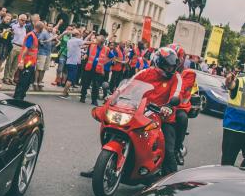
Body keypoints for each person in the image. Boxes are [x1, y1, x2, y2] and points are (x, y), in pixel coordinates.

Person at [124, 47, 182, 176]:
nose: (170, 70)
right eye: (167, 67)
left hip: (163, 117)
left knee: (167, 149)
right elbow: (129, 85)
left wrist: (169, 106)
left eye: (172, 67)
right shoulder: (145, 72)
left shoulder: (176, 78)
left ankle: (170, 182)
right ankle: (99, 167)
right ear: (159, 63)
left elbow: (177, 93)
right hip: (140, 112)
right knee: (120, 131)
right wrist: (114, 96)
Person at [169, 44, 196, 164]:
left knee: (182, 118)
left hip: (178, 107)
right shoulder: (160, 69)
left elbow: (180, 91)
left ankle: (176, 148)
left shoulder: (188, 74)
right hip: (159, 103)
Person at [80, 32, 111, 105]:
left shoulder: (106, 49)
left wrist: (104, 63)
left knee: (96, 86)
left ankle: (94, 100)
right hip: (89, 68)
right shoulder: (92, 45)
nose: (95, 40)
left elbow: (111, 57)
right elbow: (86, 52)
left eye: (97, 40)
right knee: (85, 83)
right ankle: (82, 97)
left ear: (100, 42)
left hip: (98, 70)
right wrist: (85, 56)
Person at [13, 22, 40, 101]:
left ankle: (21, 96)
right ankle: (18, 98)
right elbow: (26, 49)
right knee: (23, 80)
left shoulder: (35, 36)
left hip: (31, 62)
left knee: (27, 81)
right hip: (27, 62)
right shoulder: (31, 36)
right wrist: (21, 61)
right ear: (40, 29)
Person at [3, 13, 28, 83]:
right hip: (14, 45)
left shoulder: (25, 28)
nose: (23, 22)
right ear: (18, 19)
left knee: (15, 64)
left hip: (21, 47)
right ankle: (6, 78)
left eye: (25, 21)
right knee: (9, 63)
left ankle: (11, 78)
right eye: (22, 20)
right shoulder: (14, 26)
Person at [60, 29, 84, 99]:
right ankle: (64, 93)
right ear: (77, 35)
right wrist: (95, 42)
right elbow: (87, 42)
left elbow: (79, 47)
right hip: (73, 63)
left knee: (69, 79)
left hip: (69, 62)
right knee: (70, 79)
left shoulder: (70, 40)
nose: (80, 35)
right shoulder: (77, 40)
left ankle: (66, 92)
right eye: (79, 34)